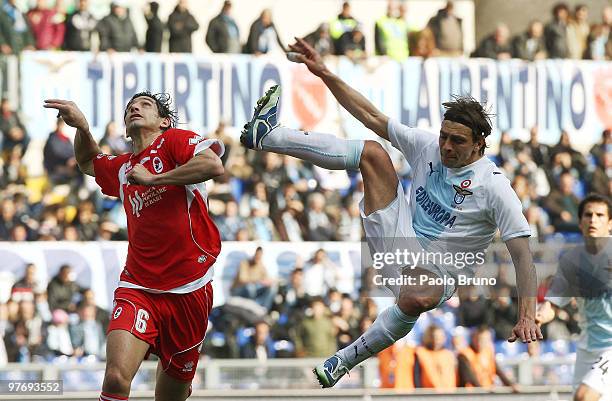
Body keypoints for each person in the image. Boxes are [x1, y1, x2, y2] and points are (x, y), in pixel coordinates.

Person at [241, 37, 542, 388]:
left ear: (479, 143)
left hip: (438, 272)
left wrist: (527, 316)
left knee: (417, 295)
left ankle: (344, 360)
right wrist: (323, 72)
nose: (446, 146)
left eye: (457, 141)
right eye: (444, 136)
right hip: (398, 235)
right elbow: (370, 115)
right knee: (372, 152)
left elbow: (523, 256)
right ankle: (268, 135)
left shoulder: (495, 187)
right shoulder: (427, 146)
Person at [43, 90, 225, 400]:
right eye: (130, 107)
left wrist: (156, 179)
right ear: (126, 127)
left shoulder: (175, 141)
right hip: (138, 285)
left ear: (164, 121)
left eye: (145, 105)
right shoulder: (124, 168)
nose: (134, 108)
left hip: (190, 289)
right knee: (115, 378)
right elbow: (88, 161)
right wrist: (83, 128)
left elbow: (213, 165)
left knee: (168, 397)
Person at [536, 194, 611, 401]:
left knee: (584, 397)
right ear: (580, 223)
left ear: (610, 223)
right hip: (587, 349)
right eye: (588, 215)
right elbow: (552, 305)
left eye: (599, 215)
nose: (593, 220)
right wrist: (539, 316)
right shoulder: (572, 262)